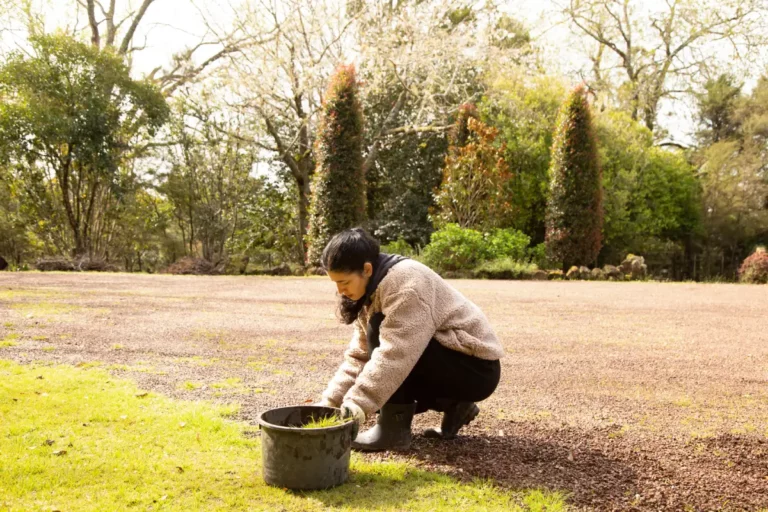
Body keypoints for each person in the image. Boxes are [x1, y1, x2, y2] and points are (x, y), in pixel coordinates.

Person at [316, 228, 504, 451]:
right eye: (335, 283)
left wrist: (357, 402)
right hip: (451, 363)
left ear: (366, 269)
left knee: (379, 348)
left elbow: (396, 353)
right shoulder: (371, 290)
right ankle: (456, 405)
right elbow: (360, 356)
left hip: (476, 370)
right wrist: (330, 403)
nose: (340, 291)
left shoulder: (405, 284)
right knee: (372, 384)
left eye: (344, 282)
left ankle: (392, 433)